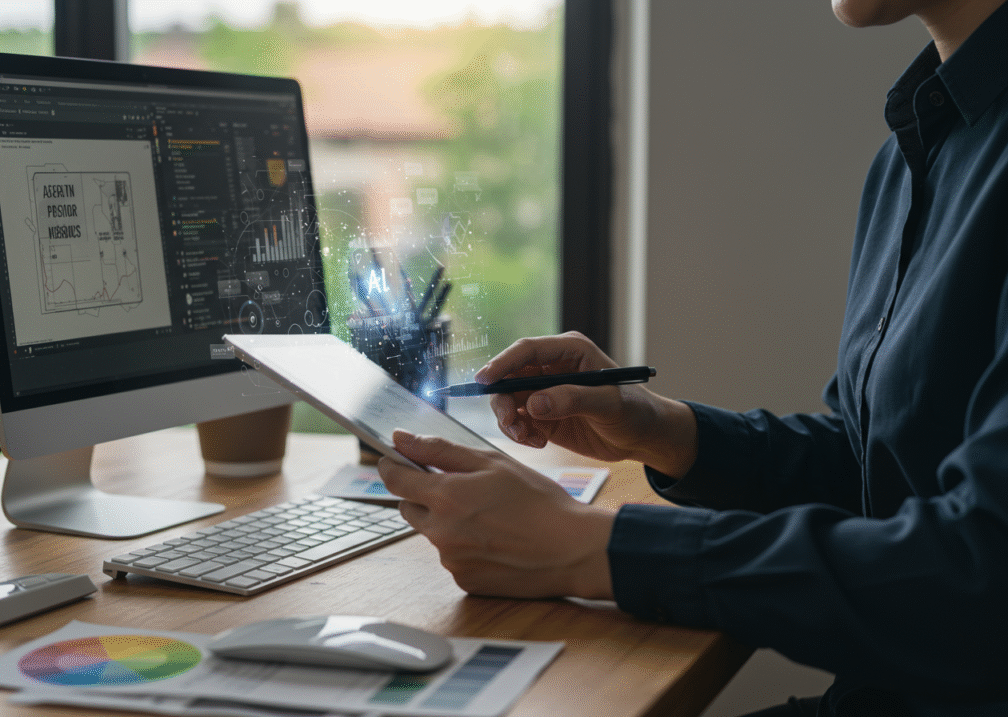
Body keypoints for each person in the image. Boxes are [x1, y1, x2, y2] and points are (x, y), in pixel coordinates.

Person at [377, 0, 1008, 715]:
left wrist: (589, 546)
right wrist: (660, 428)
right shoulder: (917, 151)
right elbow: (879, 474)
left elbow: (985, 577)